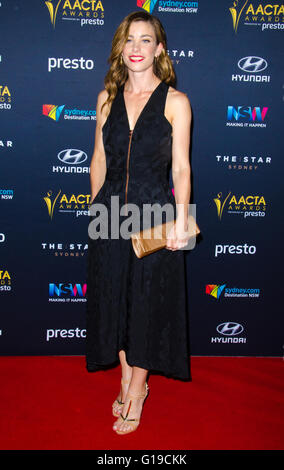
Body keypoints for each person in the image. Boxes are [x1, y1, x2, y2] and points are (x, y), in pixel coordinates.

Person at [86, 10, 192, 436]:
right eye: (129, 40)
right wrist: (97, 210)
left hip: (154, 218)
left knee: (147, 307)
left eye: (145, 40)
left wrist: (182, 220)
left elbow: (181, 169)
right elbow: (99, 159)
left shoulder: (175, 102)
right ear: (120, 48)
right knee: (118, 304)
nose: (136, 48)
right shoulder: (106, 99)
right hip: (110, 215)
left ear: (159, 49)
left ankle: (136, 390)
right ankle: (127, 378)